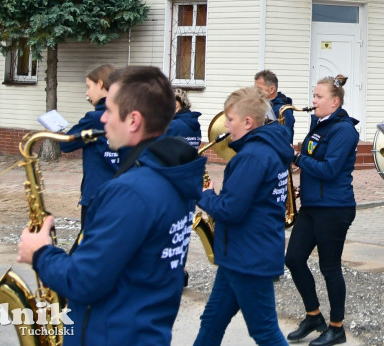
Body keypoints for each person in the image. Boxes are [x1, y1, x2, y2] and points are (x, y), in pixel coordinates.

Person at [18, 66, 205, 345]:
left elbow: (84, 281)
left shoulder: (131, 191)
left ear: (133, 120)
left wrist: (40, 252)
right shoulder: (173, 176)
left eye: (109, 110)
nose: (102, 118)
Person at [193, 87, 295, 346]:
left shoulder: (252, 156)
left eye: (229, 119)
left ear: (248, 122)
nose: (224, 125)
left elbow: (231, 210)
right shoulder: (265, 149)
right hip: (239, 254)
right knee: (212, 320)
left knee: (265, 332)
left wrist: (204, 196)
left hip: (249, 256)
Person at [285, 77, 358, 346]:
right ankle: (314, 315)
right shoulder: (319, 124)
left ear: (334, 101)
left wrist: (296, 158)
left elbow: (329, 170)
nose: (313, 101)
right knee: (293, 259)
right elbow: (312, 160)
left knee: (330, 268)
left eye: (318, 96)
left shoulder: (344, 130)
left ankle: (336, 327)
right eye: (314, 96)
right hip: (313, 206)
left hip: (334, 208)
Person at [59, 64, 119, 229]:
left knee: (86, 247)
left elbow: (65, 145)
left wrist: (56, 132)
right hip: (122, 194)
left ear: (100, 84)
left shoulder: (95, 117)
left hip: (97, 194)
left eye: (88, 87)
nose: (87, 93)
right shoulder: (128, 113)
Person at [255, 70, 297, 140]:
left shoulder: (283, 111)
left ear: (271, 89)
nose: (256, 92)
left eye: (259, 89)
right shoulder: (266, 106)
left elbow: (283, 138)